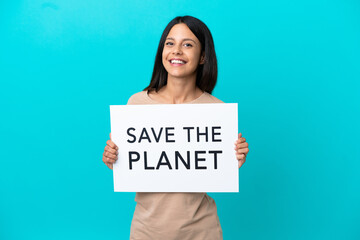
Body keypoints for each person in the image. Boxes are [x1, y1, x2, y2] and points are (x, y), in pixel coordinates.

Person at [102, 16, 249, 240]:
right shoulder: (136, 104)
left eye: (187, 44)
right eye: (170, 43)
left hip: (202, 231)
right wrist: (113, 158)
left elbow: (215, 170)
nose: (177, 51)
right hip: (146, 230)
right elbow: (132, 168)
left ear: (202, 57)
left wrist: (233, 159)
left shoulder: (217, 111)